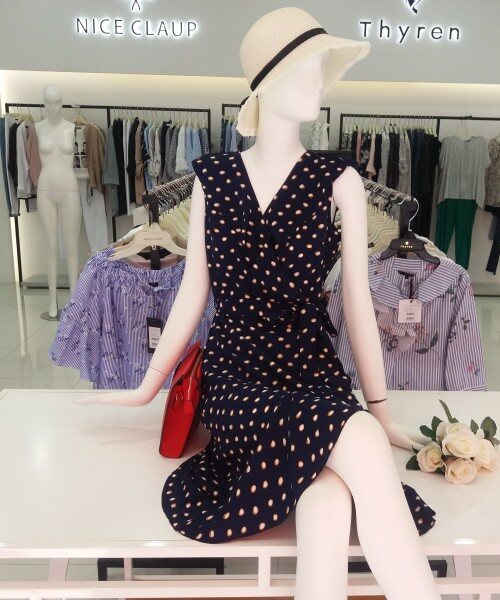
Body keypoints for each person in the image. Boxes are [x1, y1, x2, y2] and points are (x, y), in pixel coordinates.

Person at [78, 8, 441, 599]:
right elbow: (193, 292)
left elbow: (357, 302)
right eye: (307, 69)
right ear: (268, 83)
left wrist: (380, 408)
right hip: (238, 376)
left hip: (311, 371)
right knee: (359, 442)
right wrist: (149, 385)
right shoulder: (213, 178)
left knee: (327, 498)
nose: (320, 82)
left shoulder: (338, 179)